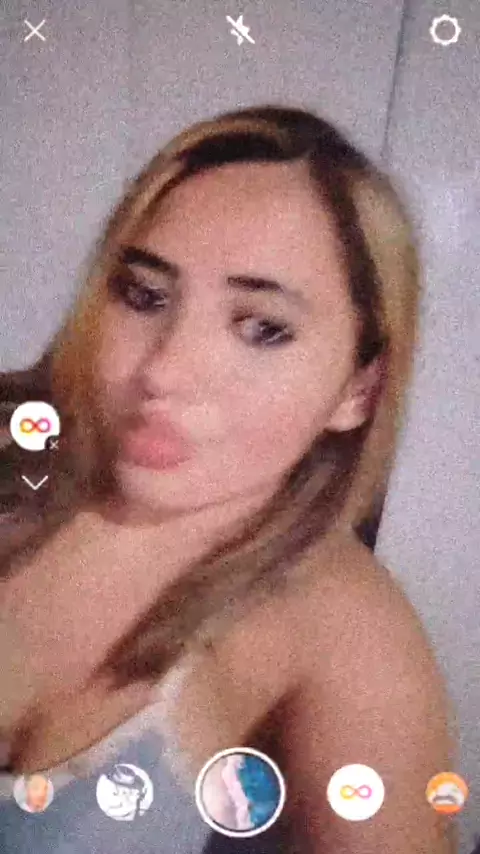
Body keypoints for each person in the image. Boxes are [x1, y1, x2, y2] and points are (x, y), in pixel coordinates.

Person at [0, 105, 455, 853]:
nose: (164, 369)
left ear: (358, 389)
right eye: (144, 296)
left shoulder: (342, 627)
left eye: (262, 328)